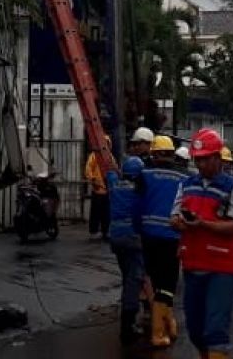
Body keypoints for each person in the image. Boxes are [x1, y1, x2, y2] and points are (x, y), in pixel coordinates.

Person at [172, 128, 233, 359]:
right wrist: (181, 223)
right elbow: (173, 217)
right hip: (193, 265)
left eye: (206, 159)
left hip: (222, 268)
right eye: (198, 160)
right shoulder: (186, 185)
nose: (202, 164)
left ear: (218, 158)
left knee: (215, 329)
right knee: (195, 330)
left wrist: (203, 224)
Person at [138, 135, 188, 347]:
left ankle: (166, 323)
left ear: (154, 152)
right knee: (168, 284)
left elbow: (136, 203)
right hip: (171, 235)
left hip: (148, 235)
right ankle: (160, 331)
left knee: (156, 280)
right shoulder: (183, 176)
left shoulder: (144, 174)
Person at [106, 156, 147, 344]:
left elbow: (109, 170)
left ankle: (129, 314)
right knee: (133, 280)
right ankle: (128, 325)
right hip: (133, 238)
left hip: (116, 237)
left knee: (127, 276)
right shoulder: (140, 190)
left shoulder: (114, 185)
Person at [85, 137, 111, 241]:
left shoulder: (110, 157)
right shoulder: (94, 156)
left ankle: (105, 231)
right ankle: (94, 231)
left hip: (106, 190)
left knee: (106, 213)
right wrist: (93, 179)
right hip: (97, 189)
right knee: (95, 213)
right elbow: (88, 169)